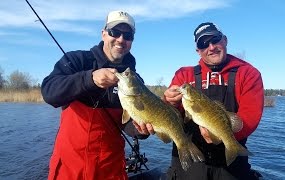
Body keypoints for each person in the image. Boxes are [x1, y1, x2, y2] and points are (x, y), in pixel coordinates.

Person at [41, 10, 151, 180]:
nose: (121, 39)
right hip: (70, 170)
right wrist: (89, 79)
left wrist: (141, 129)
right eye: (115, 32)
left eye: (128, 35)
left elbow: (128, 123)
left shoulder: (134, 80)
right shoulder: (77, 60)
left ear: (132, 41)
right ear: (104, 34)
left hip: (112, 170)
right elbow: (49, 92)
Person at [164, 22, 264, 180]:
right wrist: (170, 101)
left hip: (230, 165)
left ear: (225, 40)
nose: (211, 47)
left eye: (215, 39)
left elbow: (250, 117)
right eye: (203, 44)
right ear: (198, 51)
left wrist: (221, 134)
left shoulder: (248, 73)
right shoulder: (184, 74)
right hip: (190, 160)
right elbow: (170, 114)